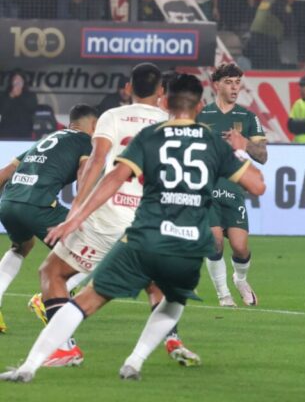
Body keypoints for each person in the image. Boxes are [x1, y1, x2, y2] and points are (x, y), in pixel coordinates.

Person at [0, 74, 267, 384]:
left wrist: (75, 216)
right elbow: (258, 185)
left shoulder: (151, 135)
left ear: (167, 100)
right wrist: (239, 147)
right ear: (200, 106)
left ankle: (33, 364)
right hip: (188, 242)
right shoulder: (210, 140)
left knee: (78, 292)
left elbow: (111, 175)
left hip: (143, 231)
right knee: (165, 293)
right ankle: (139, 358)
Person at [33, 63, 197, 367]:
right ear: (161, 91)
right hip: (148, 222)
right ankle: (172, 338)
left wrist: (77, 211)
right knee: (155, 284)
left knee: (52, 272)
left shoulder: (112, 116)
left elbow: (95, 163)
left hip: (107, 218)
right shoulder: (170, 122)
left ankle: (65, 346)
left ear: (128, 88)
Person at [0, 105, 97, 334]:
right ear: (93, 125)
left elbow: (4, 173)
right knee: (95, 248)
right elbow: (84, 173)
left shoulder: (49, 138)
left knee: (22, 246)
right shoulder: (86, 141)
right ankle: (47, 299)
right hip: (38, 206)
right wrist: (81, 208)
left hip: (9, 203)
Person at [196, 63, 267, 307]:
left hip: (233, 189)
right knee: (214, 241)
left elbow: (263, 156)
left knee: (240, 247)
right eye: (229, 82)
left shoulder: (248, 118)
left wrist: (244, 143)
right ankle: (223, 294)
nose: (235, 87)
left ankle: (240, 279)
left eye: (237, 82)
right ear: (217, 85)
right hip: (206, 189)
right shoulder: (201, 116)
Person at [0, 71, 37, 140]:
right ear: (11, 81)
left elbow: (32, 108)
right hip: (6, 131)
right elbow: (2, 111)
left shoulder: (31, 95)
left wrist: (20, 95)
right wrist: (11, 96)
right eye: (15, 79)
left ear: (24, 82)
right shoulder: (4, 95)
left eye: (20, 80)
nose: (17, 82)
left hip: (24, 131)